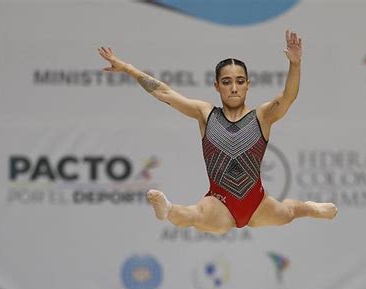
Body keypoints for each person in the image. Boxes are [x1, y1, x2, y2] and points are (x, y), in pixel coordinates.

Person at [98, 30, 337, 234]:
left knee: (290, 211)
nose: (234, 88)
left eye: (240, 81)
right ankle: (167, 208)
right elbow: (165, 93)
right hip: (220, 202)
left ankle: (311, 208)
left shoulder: (262, 116)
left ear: (248, 84)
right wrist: (128, 68)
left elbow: (288, 97)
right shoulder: (206, 114)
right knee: (195, 215)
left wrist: (295, 64)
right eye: (227, 82)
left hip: (257, 202)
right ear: (216, 86)